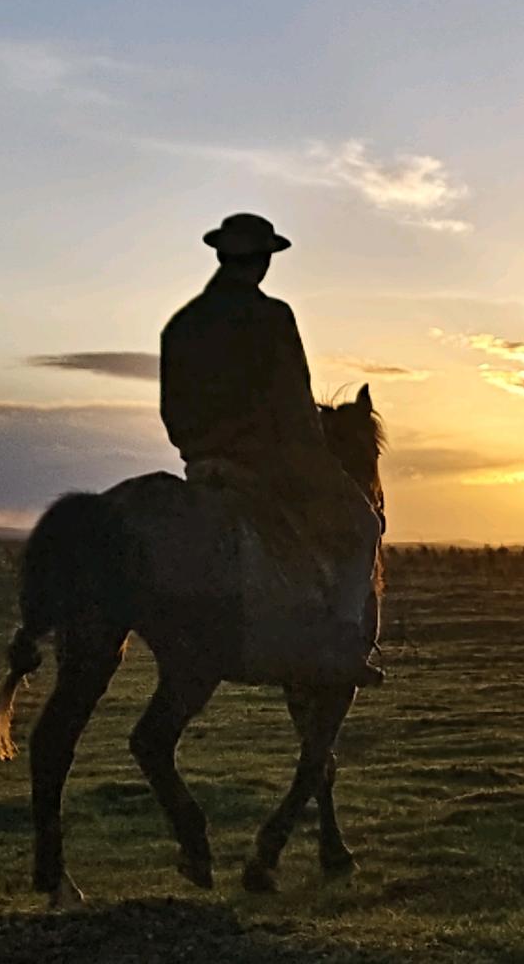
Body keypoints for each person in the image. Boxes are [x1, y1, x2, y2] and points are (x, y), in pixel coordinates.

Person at [160, 212, 382, 687]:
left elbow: (172, 411)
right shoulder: (272, 317)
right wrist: (314, 457)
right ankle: (344, 643)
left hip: (201, 465)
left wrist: (198, 451)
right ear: (263, 261)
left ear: (222, 256)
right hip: (266, 462)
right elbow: (294, 401)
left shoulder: (181, 324)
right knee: (365, 525)